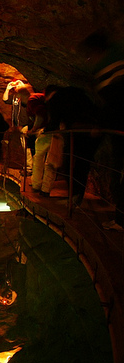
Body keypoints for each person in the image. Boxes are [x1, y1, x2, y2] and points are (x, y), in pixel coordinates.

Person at [80, 30, 124, 231]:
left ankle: (121, 221)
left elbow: (114, 101)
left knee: (118, 173)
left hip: (120, 130)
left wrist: (99, 126)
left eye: (89, 56)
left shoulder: (110, 67)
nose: (89, 61)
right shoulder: (118, 57)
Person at [3, 79, 34, 171]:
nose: (16, 86)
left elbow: (29, 99)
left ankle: (29, 168)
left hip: (25, 125)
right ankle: (27, 166)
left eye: (18, 84)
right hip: (17, 126)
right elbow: (5, 100)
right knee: (22, 147)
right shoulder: (14, 97)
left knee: (26, 147)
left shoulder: (26, 96)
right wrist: (8, 89)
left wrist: (23, 87)